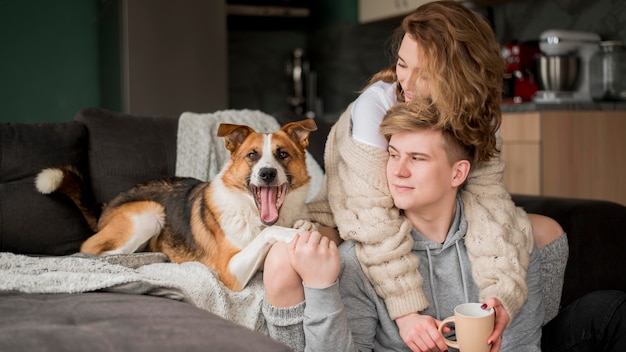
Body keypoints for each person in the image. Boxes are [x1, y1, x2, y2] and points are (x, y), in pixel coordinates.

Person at [302, 0, 569, 344]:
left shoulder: (479, 116)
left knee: (542, 231)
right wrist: (407, 313)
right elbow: (372, 218)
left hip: (431, 212)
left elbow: (488, 201)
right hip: (353, 214)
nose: (407, 83)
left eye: (424, 74)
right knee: (324, 255)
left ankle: (525, 335)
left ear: (458, 76)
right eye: (401, 64)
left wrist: (504, 295)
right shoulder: (376, 107)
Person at [262, 101, 626, 352]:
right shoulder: (360, 262)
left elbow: (522, 344)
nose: (398, 170)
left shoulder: (505, 243)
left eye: (417, 158)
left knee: (609, 310)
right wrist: (323, 289)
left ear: (458, 172)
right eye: (393, 155)